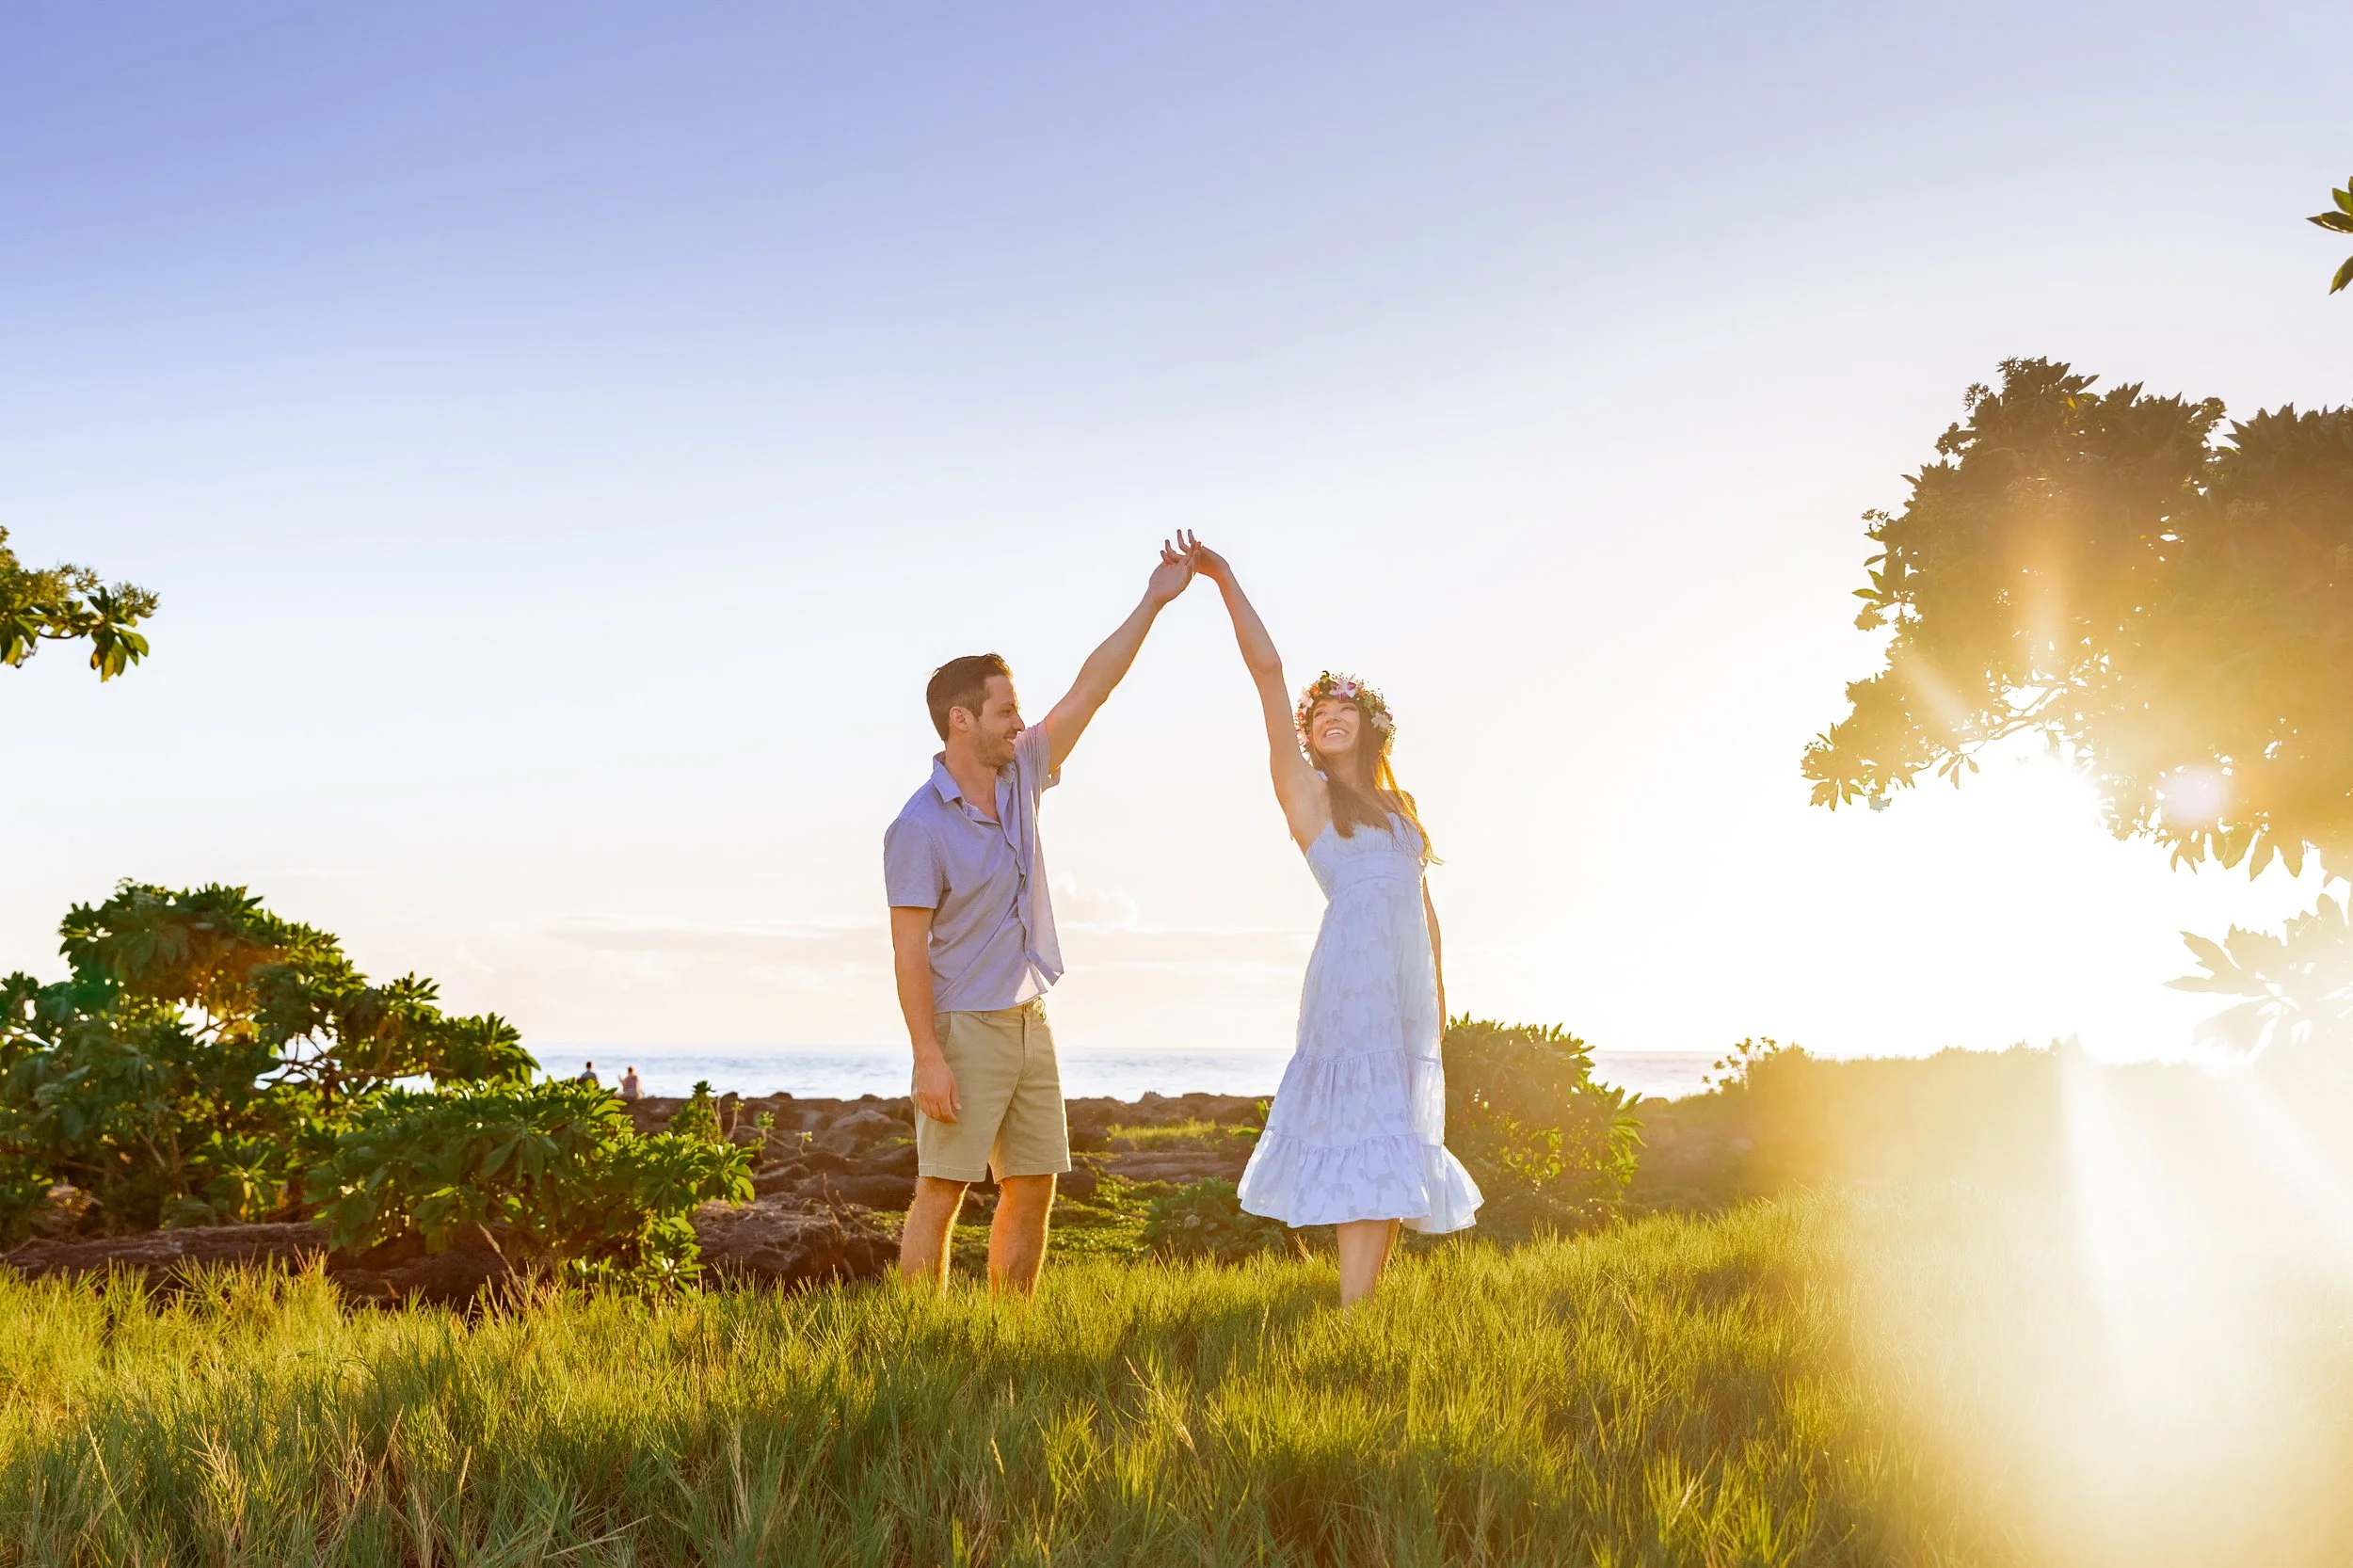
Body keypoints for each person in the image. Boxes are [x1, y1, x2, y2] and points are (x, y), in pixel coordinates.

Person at [885, 541, 1198, 1293]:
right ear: (961, 721)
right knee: (943, 1188)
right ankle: (917, 1340)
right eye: (1005, 710)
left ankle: (1007, 1334)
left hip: (1032, 1019)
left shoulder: (1020, 771)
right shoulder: (918, 827)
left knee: (1034, 1183)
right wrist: (927, 1054)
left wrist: (1153, 600)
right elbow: (906, 951)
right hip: (965, 1027)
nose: (1019, 723)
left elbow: (1093, 688)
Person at [1183, 532, 1480, 1304]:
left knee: (1388, 1142)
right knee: (1363, 1135)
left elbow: (1424, 905)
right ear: (1308, 736)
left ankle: (1364, 1312)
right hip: (1349, 981)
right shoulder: (1306, 797)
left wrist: (1439, 998)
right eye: (1319, 715)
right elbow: (1270, 674)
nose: (1328, 717)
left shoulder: (1399, 807)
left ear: (1372, 724)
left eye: (1344, 708)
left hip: (1404, 987)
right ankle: (1354, 1317)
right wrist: (1223, 578)